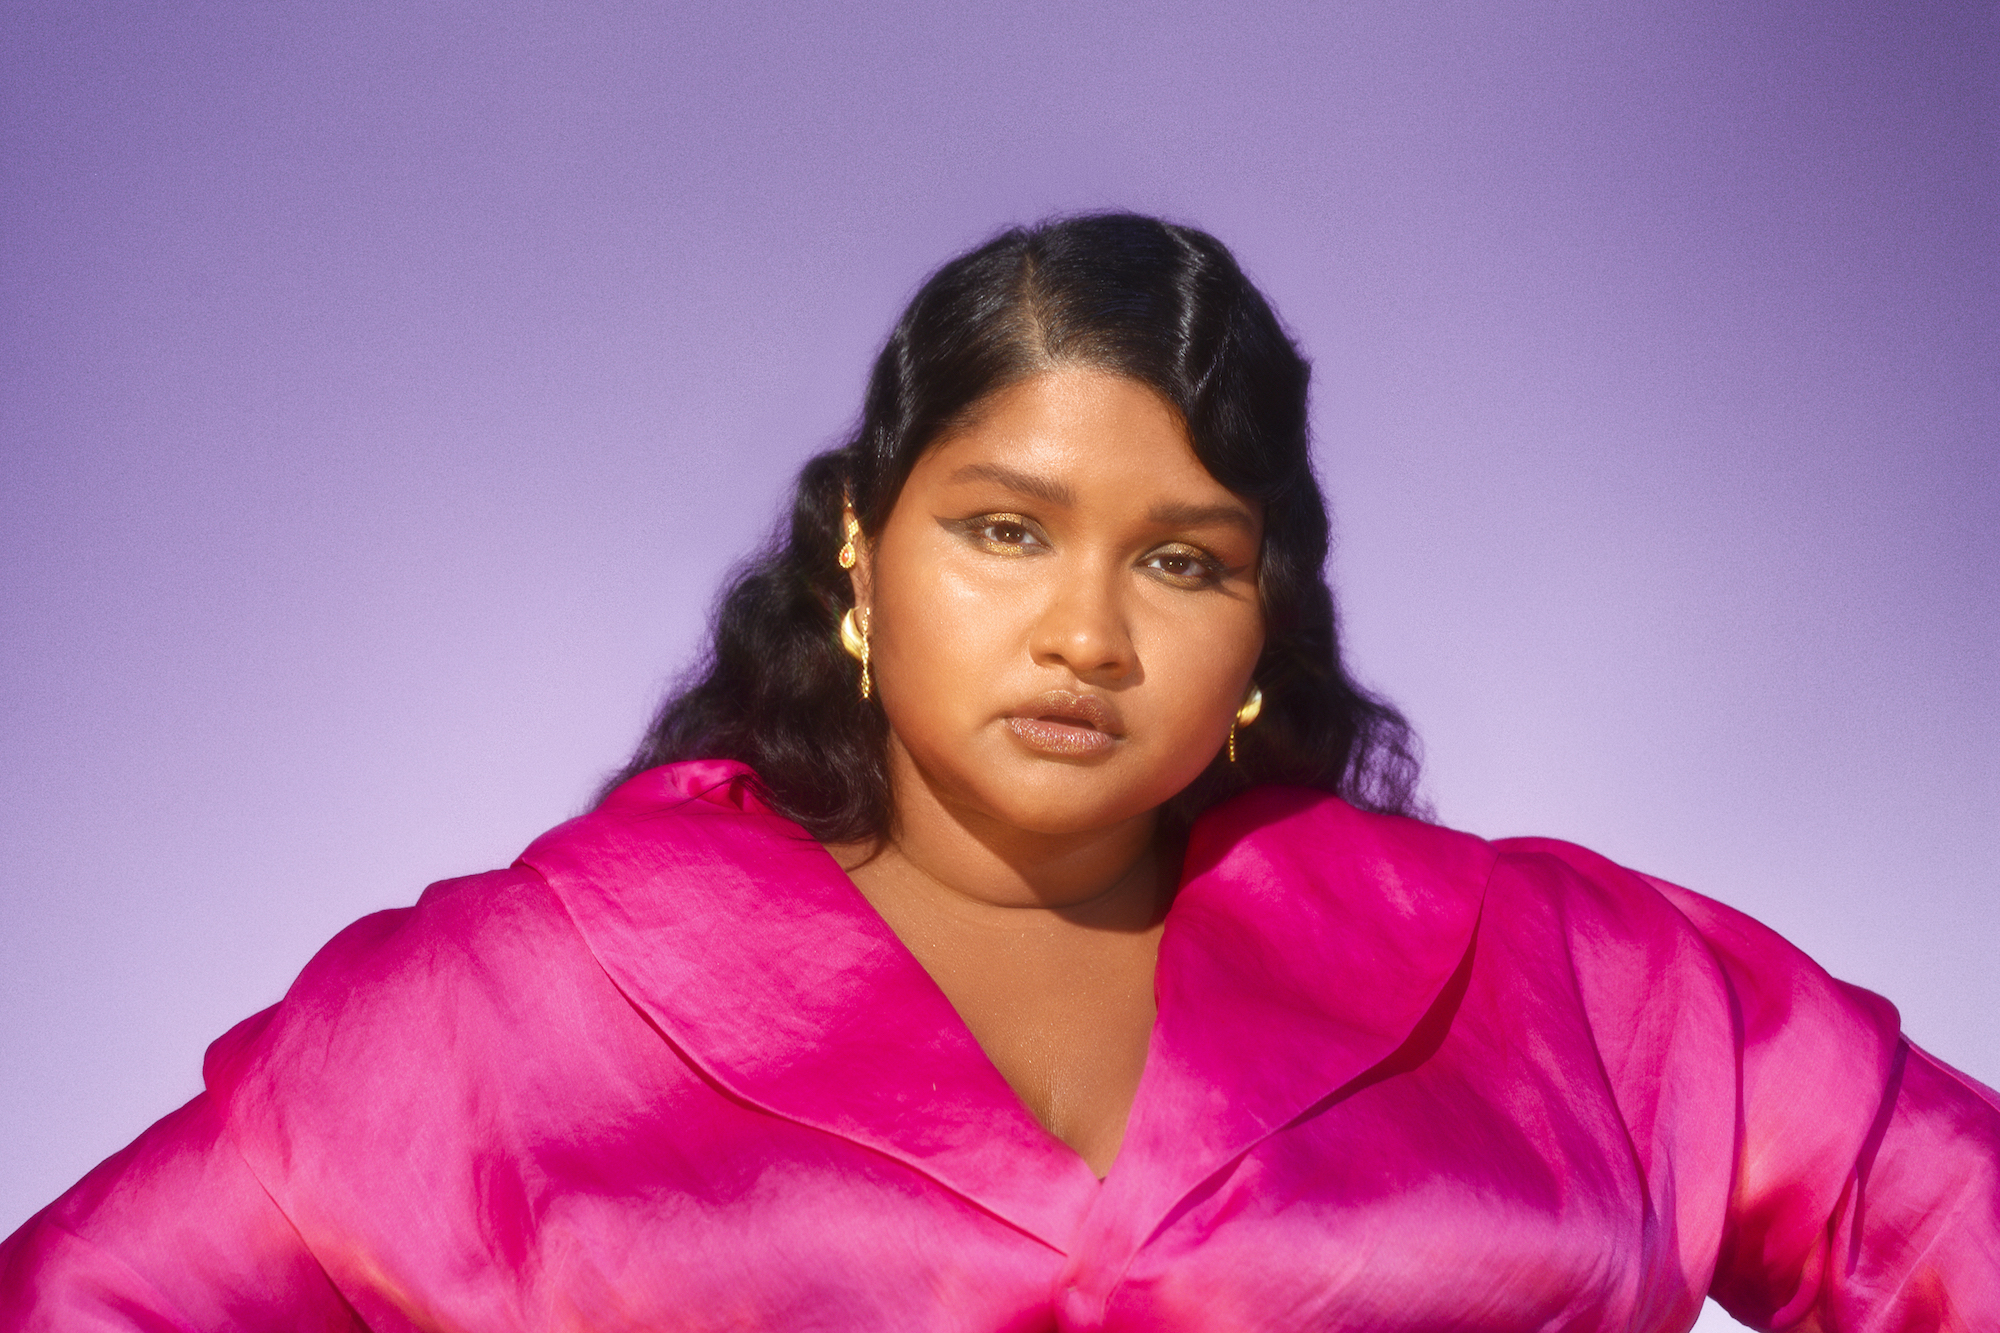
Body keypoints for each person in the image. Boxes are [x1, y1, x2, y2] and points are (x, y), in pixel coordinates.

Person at [1, 213, 1994, 1331]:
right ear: (860, 553)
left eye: (1182, 558)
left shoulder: (1562, 982)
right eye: (1004, 528)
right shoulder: (507, 1004)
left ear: (1263, 613)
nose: (1086, 631)